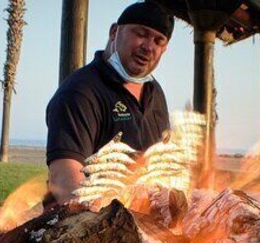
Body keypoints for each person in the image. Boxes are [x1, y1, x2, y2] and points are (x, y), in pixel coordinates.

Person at [45, 1, 174, 204]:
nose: (149, 47)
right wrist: (106, 224)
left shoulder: (155, 93)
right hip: (84, 226)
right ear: (114, 32)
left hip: (142, 224)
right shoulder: (81, 91)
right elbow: (65, 179)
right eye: (140, 34)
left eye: (158, 41)